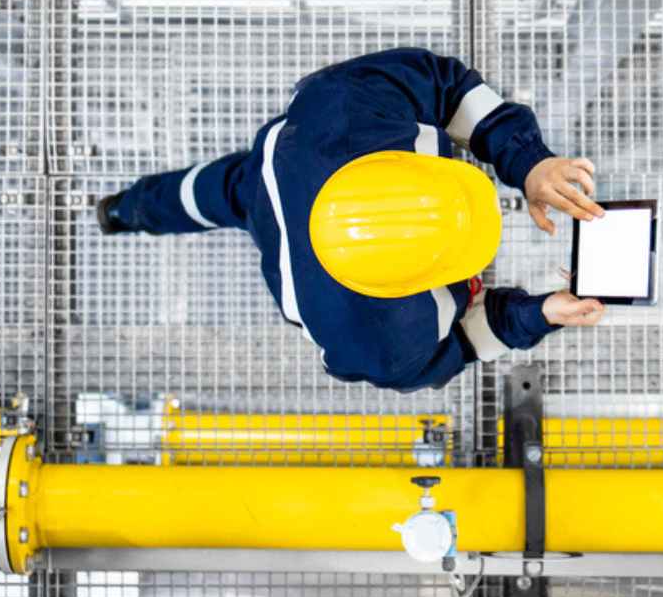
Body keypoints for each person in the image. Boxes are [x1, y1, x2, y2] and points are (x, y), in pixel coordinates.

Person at [97, 49, 605, 391]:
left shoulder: (350, 108)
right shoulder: (381, 342)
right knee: (216, 192)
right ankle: (121, 210)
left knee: (207, 193)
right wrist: (541, 314)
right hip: (288, 225)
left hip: (281, 169)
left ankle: (125, 210)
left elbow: (447, 86)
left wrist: (531, 162)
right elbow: (466, 343)